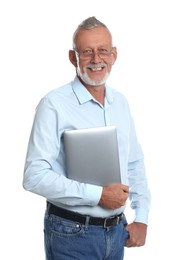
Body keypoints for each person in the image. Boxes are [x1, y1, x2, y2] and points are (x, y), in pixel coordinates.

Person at [23, 16, 151, 260]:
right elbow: (34, 176)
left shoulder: (120, 102)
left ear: (114, 55)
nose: (96, 59)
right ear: (73, 57)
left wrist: (142, 217)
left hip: (117, 232)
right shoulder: (54, 105)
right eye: (86, 52)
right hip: (70, 234)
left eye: (103, 51)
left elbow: (134, 163)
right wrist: (98, 195)